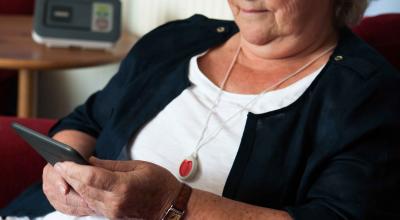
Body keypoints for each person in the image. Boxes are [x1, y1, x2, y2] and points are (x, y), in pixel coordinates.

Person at [2, 0, 400, 219]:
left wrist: (171, 206)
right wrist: (58, 170)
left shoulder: (367, 94)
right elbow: (86, 119)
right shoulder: (178, 39)